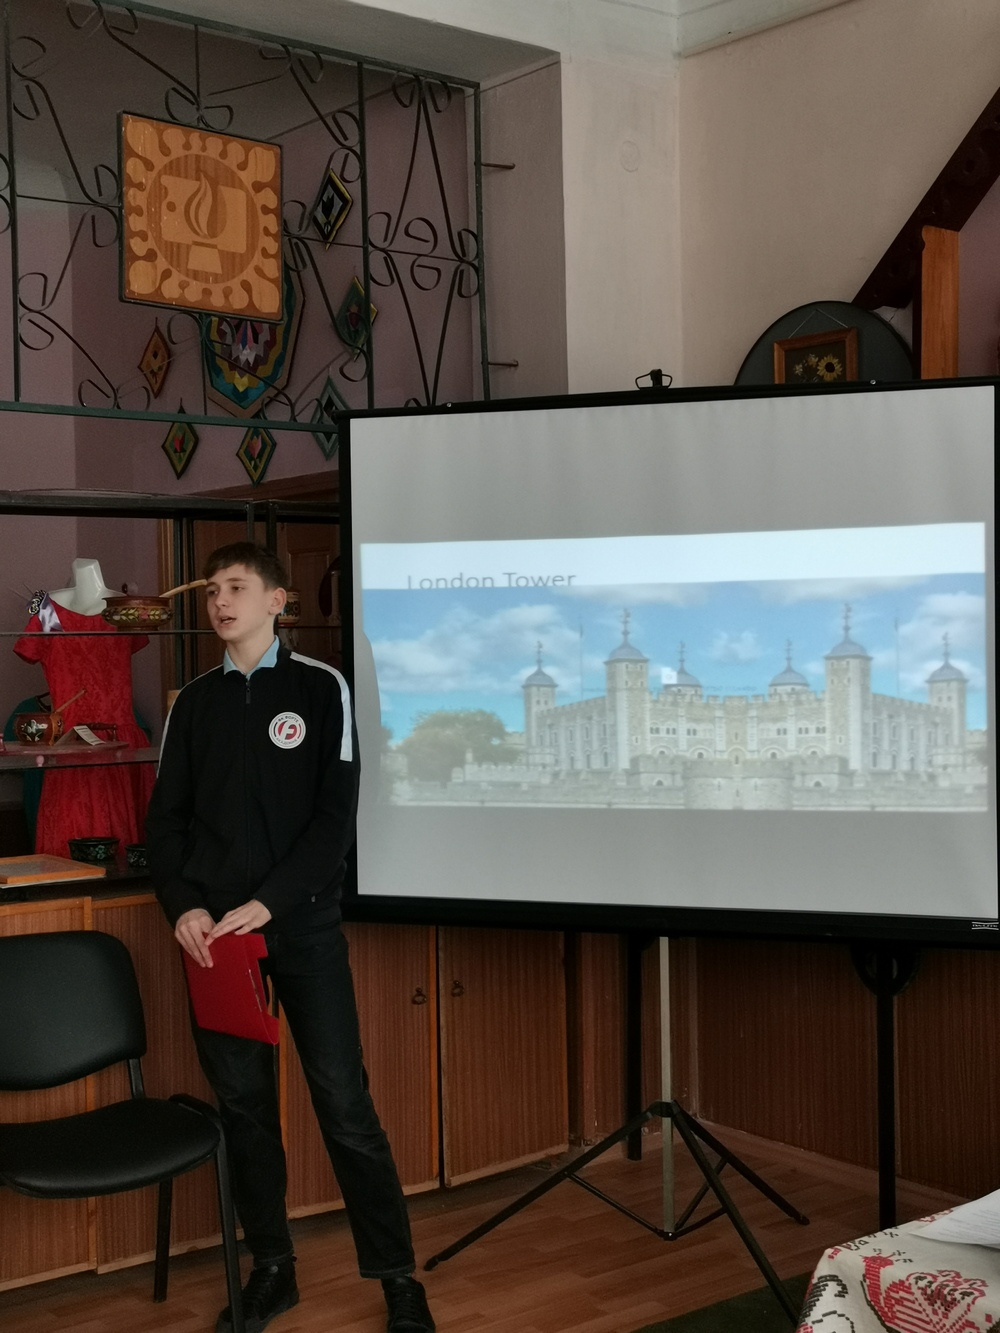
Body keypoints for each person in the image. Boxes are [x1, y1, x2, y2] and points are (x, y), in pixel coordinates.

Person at [146, 542, 434, 1333]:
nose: (219, 601)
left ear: (278, 600)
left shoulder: (320, 687)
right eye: (212, 589)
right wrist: (183, 906)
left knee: (344, 1103)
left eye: (236, 587)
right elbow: (164, 824)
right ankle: (273, 1267)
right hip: (216, 942)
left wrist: (269, 902)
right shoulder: (193, 703)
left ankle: (398, 1279)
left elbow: (333, 823)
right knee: (244, 1107)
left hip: (301, 928)